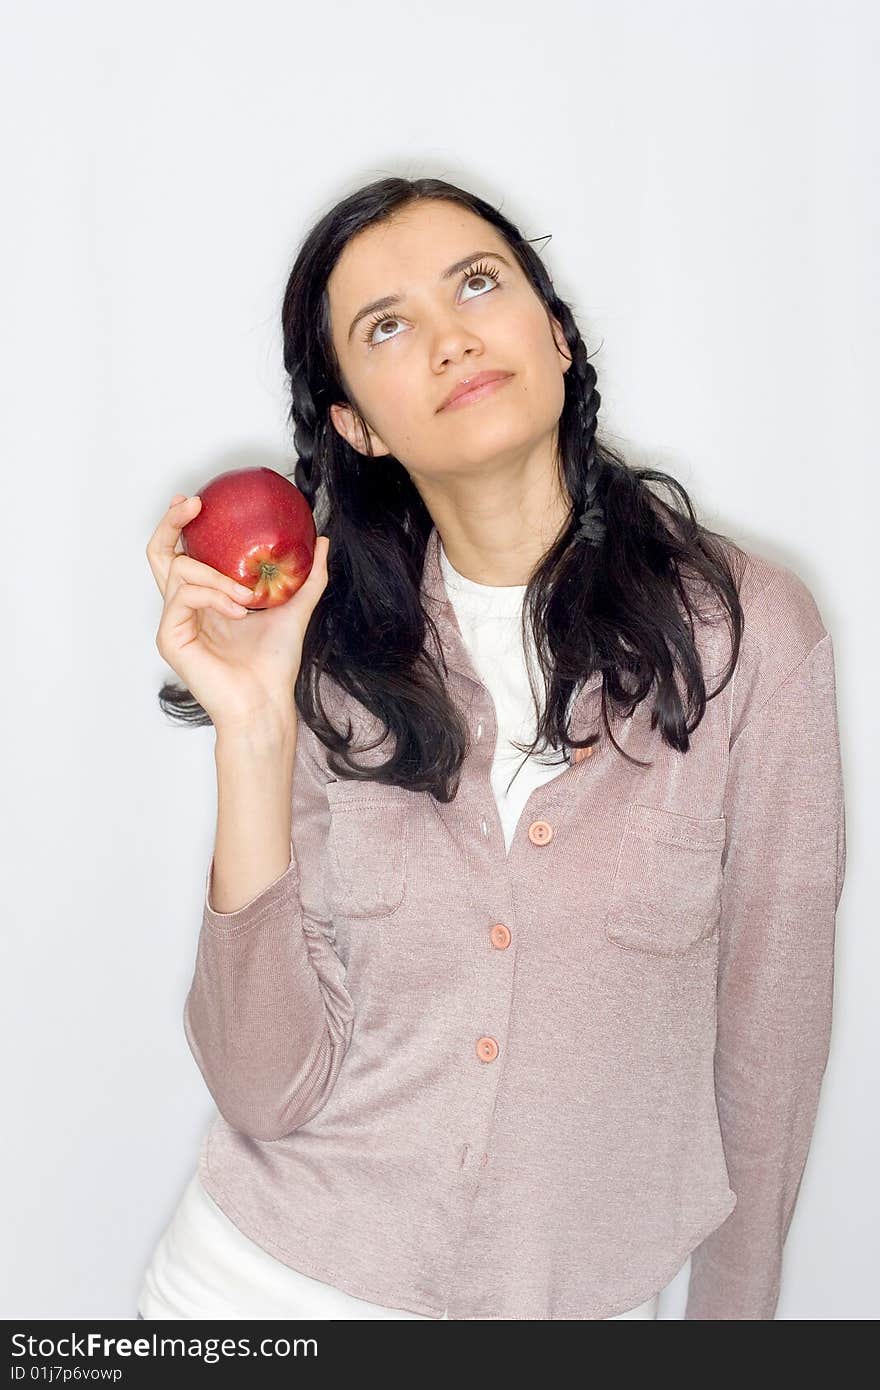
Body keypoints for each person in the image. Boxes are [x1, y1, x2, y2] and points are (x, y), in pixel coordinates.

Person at [138, 176, 846, 1320]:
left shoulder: (750, 632)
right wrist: (255, 729)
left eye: (477, 283)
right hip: (260, 1295)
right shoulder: (326, 655)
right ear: (357, 426)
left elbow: (772, 1032)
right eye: (387, 325)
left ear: (554, 333)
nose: (452, 335)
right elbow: (264, 1087)